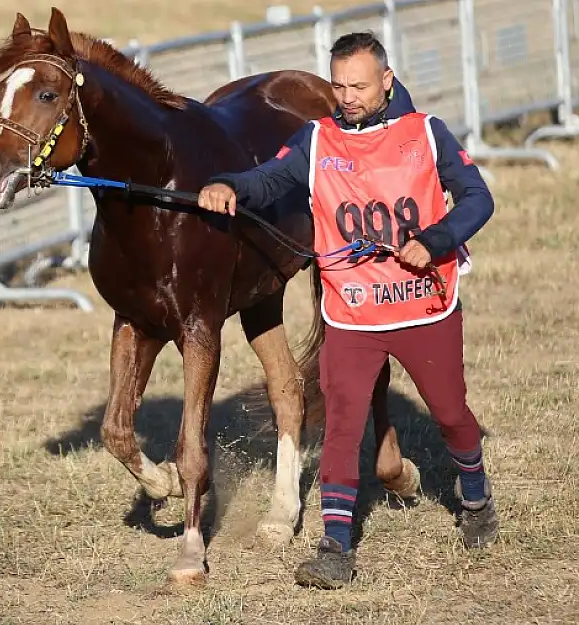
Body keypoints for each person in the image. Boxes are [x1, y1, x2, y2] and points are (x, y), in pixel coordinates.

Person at [197, 32, 499, 589]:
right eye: (338, 85)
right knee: (340, 427)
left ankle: (476, 500)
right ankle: (335, 546)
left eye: (359, 86)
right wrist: (225, 184)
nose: (347, 97)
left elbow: (478, 197)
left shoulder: (426, 133)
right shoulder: (317, 138)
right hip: (352, 313)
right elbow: (268, 179)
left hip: (422, 307)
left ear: (387, 80)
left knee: (452, 414)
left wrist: (434, 240)